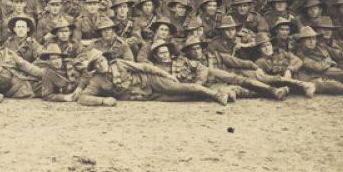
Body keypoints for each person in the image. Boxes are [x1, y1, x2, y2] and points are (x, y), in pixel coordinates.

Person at [77, 44, 230, 106]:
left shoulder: (119, 64)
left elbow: (144, 67)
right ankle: (215, 94)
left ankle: (216, 94)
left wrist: (166, 75)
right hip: (144, 96)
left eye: (101, 60)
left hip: (151, 81)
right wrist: (103, 101)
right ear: (94, 67)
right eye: (96, 64)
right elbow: (83, 98)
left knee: (180, 88)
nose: (100, 64)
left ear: (105, 59)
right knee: (181, 98)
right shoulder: (96, 80)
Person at [0, 35, 46, 101]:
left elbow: (26, 66)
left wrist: (44, 74)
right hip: (19, 91)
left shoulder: (8, 53)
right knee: (50, 90)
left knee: (51, 79)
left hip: (28, 80)